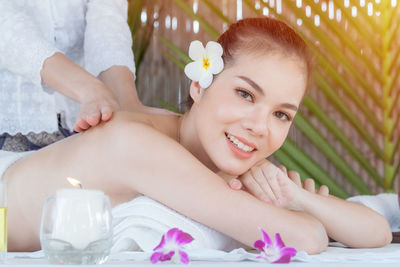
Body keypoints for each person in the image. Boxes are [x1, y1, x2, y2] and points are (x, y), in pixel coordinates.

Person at [2, 17, 392, 253]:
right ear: (199, 85)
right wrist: (292, 211)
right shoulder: (139, 144)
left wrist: (297, 196)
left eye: (281, 114)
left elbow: (376, 232)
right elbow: (304, 238)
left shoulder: (221, 154)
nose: (260, 125)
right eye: (245, 94)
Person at [0, 0, 163, 152]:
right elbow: (6, 25)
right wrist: (90, 90)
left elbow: (107, 20)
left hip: (76, 122)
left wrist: (127, 103)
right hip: (10, 122)